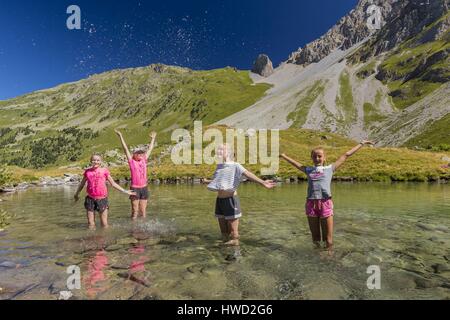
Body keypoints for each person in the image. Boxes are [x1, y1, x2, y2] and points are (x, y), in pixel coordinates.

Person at [280, 140, 374, 251]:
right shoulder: (308, 170)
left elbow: (346, 155)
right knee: (315, 238)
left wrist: (362, 143)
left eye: (319, 156)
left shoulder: (330, 168)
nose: (317, 159)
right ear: (311, 158)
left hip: (325, 203)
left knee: (328, 240)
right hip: (311, 204)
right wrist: (283, 156)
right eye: (314, 157)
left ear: (325, 158)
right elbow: (295, 164)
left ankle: (329, 259)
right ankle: (316, 258)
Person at [202, 144, 277, 246]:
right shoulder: (219, 166)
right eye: (217, 150)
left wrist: (262, 182)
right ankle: (224, 250)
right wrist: (207, 181)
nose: (218, 152)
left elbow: (248, 174)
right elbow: (219, 181)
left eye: (221, 150)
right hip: (219, 201)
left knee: (233, 233)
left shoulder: (235, 165)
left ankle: (236, 254)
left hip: (230, 201)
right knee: (224, 232)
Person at [74, 153, 135, 229]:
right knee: (90, 223)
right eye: (94, 160)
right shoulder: (87, 172)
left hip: (102, 199)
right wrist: (76, 194)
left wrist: (124, 191)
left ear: (101, 162)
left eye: (98, 160)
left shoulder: (104, 171)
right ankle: (91, 239)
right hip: (90, 199)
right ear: (91, 161)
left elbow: (113, 183)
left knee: (104, 223)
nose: (95, 162)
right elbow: (82, 184)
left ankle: (104, 239)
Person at [115, 129, 157, 219]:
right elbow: (125, 148)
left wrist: (153, 138)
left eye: (141, 153)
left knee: (143, 211)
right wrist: (120, 136)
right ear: (134, 155)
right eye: (138, 153)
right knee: (135, 211)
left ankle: (143, 229)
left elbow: (150, 148)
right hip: (135, 188)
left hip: (144, 188)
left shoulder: (144, 160)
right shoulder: (131, 162)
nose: (140, 154)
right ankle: (133, 229)